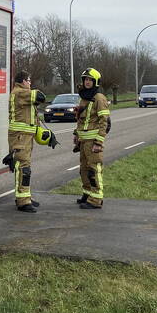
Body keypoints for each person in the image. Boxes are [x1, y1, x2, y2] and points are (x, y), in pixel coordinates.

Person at [7, 71, 47, 212]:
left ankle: (25, 196)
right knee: (24, 168)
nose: (30, 83)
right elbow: (41, 96)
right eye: (29, 80)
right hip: (20, 137)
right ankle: (23, 201)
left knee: (25, 167)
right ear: (23, 81)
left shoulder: (21, 94)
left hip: (24, 136)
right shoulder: (20, 92)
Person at [73, 67, 110, 208]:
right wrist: (76, 135)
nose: (87, 82)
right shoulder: (84, 97)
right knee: (83, 169)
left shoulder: (99, 98)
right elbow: (81, 120)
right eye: (85, 79)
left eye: (90, 80)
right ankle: (87, 194)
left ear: (95, 82)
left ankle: (96, 199)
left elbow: (104, 121)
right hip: (83, 141)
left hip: (93, 142)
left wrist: (99, 142)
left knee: (94, 170)